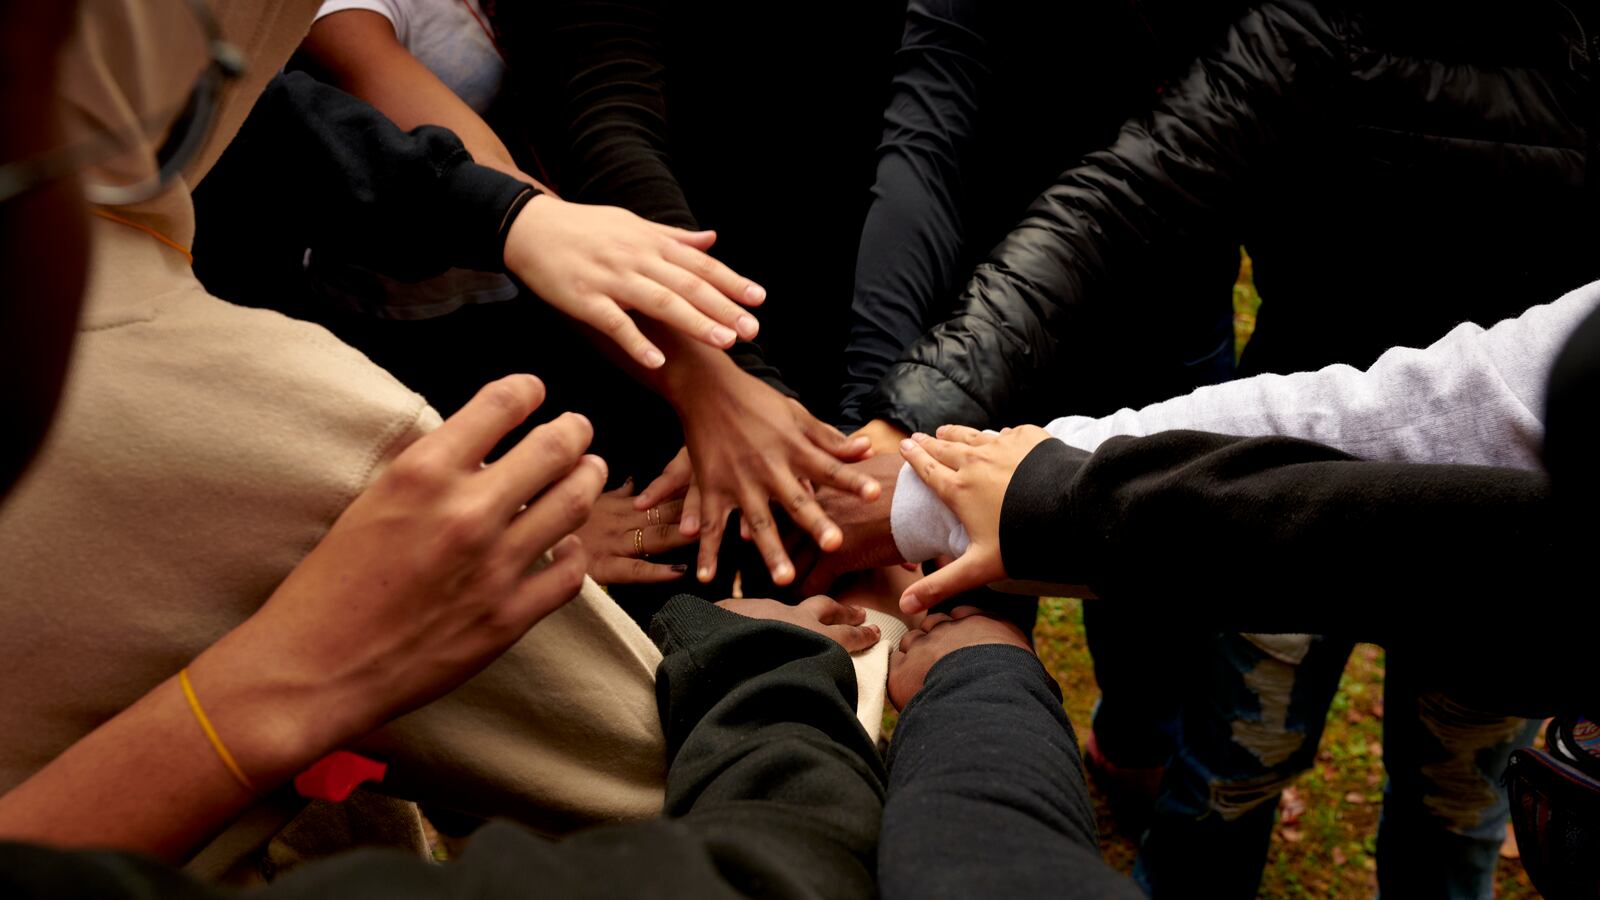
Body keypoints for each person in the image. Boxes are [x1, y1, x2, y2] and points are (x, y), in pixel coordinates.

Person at [844, 2, 1600, 894]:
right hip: (1280, 492)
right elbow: (1126, 197)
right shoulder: (1319, 30)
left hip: (1391, 530)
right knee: (1242, 777)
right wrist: (912, 428)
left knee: (1445, 812)